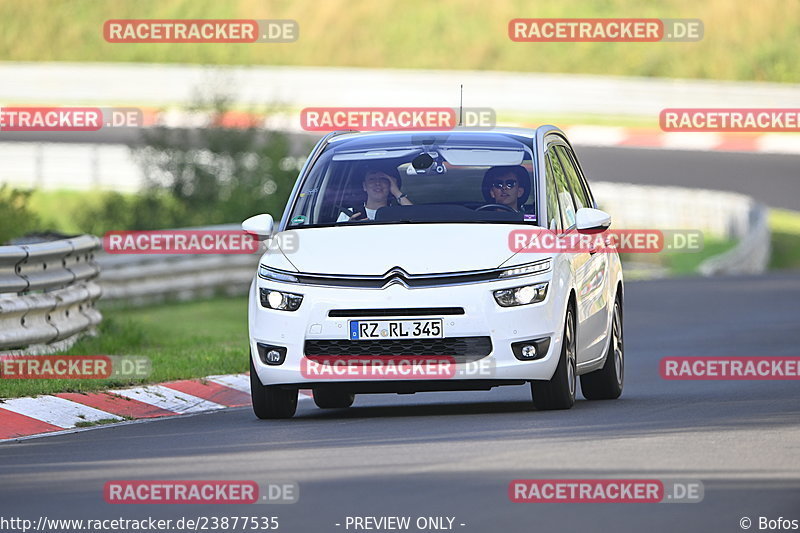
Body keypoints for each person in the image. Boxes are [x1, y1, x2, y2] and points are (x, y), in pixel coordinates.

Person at [337, 164, 412, 222]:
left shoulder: (400, 212)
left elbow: (417, 219)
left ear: (390, 184)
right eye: (372, 179)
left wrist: (397, 192)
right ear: (364, 186)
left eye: (383, 179)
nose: (377, 183)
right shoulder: (348, 214)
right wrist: (349, 227)